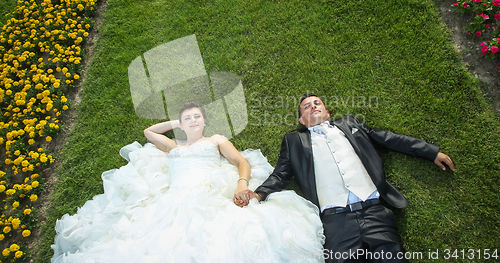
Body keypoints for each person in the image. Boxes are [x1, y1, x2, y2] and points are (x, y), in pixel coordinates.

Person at [51, 101, 325, 263]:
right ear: (181, 124)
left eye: (198, 117)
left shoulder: (215, 139)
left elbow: (241, 162)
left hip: (210, 194)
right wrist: (178, 121)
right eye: (188, 118)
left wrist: (242, 184)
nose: (193, 121)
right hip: (174, 198)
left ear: (205, 122)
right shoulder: (173, 146)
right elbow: (148, 132)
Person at [242, 94, 455, 263]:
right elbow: (281, 174)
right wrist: (259, 193)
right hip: (335, 223)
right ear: (302, 120)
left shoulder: (350, 124)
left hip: (375, 213)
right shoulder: (294, 141)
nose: (313, 106)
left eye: (317, 103)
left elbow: (389, 139)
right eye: (306, 107)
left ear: (326, 112)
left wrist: (430, 152)